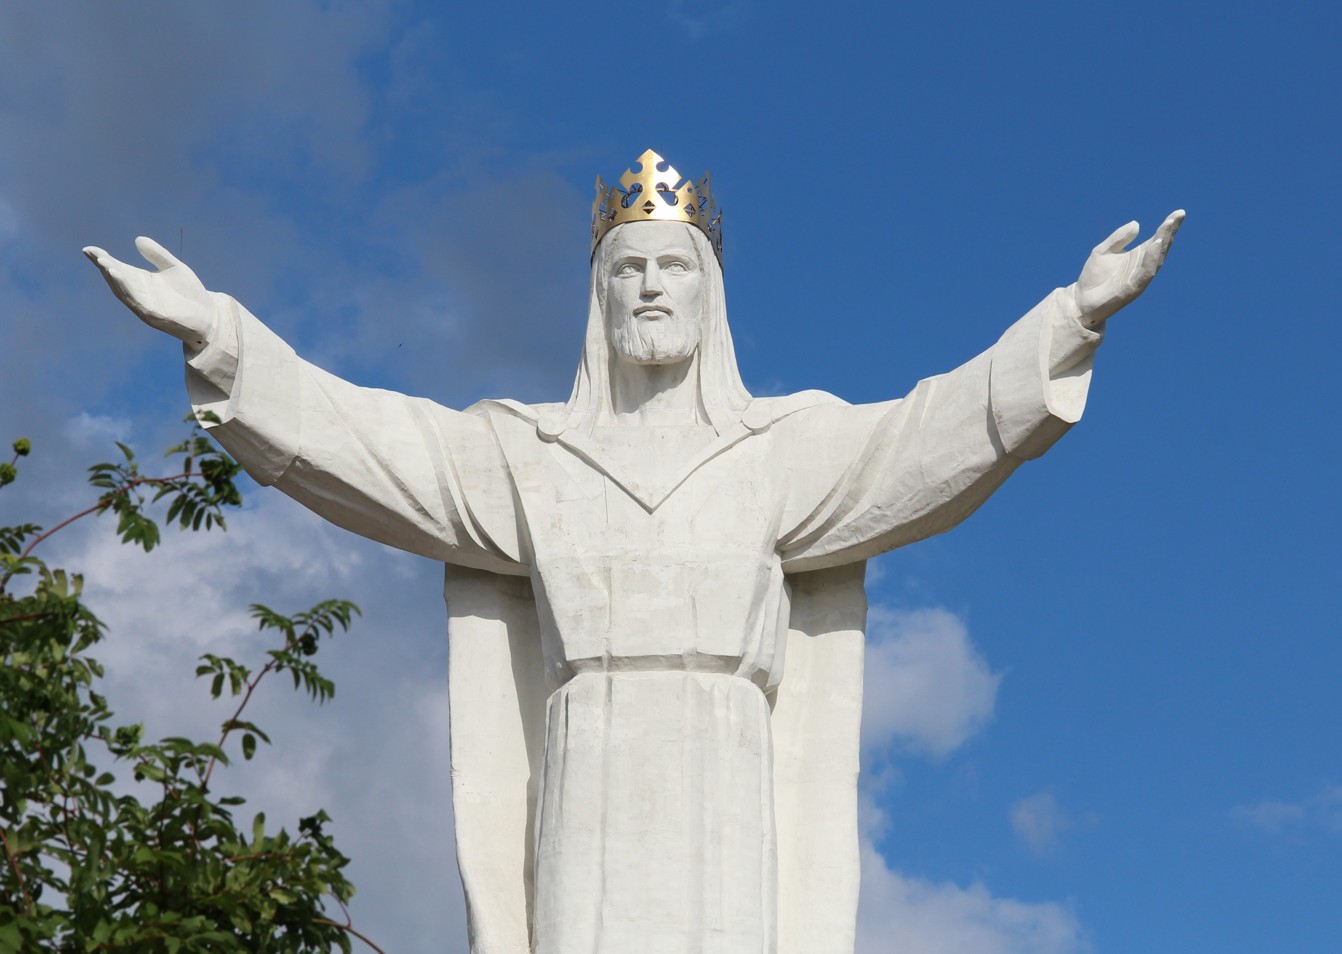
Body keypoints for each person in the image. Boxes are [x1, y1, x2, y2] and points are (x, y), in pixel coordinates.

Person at [85, 149, 1183, 954]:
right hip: (588, 770)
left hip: (726, 769)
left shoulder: (780, 447)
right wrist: (219, 335)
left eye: (674, 267)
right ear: (597, 297)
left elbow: (926, 438)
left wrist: (1069, 320)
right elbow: (369, 443)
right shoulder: (528, 453)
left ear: (712, 295)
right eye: (627, 270)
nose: (650, 287)